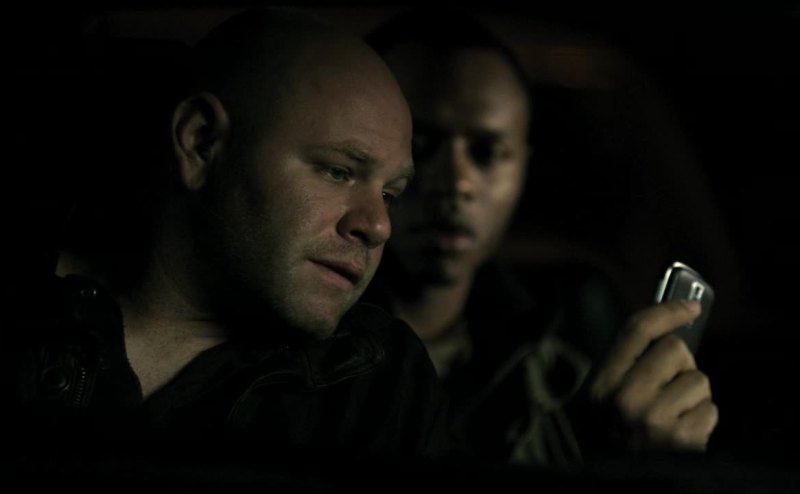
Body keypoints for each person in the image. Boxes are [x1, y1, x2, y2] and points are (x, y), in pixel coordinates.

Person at [1, 7, 458, 481]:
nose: (379, 226)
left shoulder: (380, 388)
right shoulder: (23, 313)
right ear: (201, 143)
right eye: (338, 171)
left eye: (389, 195)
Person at [363, 8, 719, 468]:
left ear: (523, 165)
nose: (456, 182)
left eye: (488, 152)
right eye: (419, 144)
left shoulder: (574, 341)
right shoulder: (296, 349)